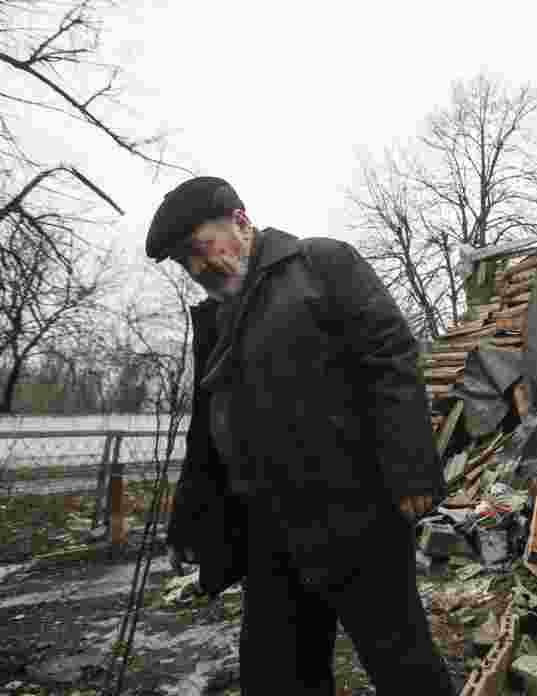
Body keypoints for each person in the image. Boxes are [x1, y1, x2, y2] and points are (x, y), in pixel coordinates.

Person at [146, 176, 454, 696]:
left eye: (198, 249)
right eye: (184, 262)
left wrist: (410, 469)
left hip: (359, 515)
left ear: (241, 221)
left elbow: (391, 358)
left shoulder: (322, 265)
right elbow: (208, 431)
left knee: (401, 664)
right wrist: (191, 521)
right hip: (271, 530)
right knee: (276, 675)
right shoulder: (218, 318)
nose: (198, 269)